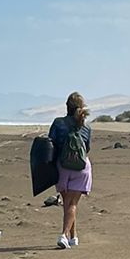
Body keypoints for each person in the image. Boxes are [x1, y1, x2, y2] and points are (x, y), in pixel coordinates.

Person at [47, 91, 92, 248]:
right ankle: (73, 237)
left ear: (67, 107)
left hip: (63, 167)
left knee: (68, 203)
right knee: (72, 204)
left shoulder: (58, 123)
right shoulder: (86, 127)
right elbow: (87, 148)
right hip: (82, 167)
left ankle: (64, 235)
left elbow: (50, 144)